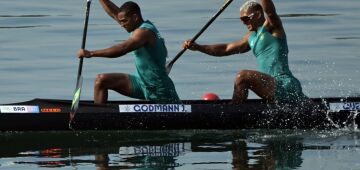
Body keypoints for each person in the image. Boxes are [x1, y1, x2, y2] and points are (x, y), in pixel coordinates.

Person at [183, 0, 308, 104]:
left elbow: (270, 11)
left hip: (285, 85)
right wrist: (199, 47)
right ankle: (237, 109)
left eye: (245, 19)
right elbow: (226, 49)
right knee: (242, 79)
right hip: (270, 85)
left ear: (258, 14)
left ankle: (233, 114)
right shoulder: (251, 37)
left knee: (242, 76)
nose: (243, 23)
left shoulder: (272, 26)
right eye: (241, 20)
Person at [77, 0, 180, 104]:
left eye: (124, 21)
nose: (121, 24)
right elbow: (115, 14)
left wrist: (91, 53)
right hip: (140, 83)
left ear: (135, 17)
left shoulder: (144, 32)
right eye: (121, 21)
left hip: (158, 89)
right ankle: (98, 117)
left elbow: (123, 48)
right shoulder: (135, 25)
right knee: (101, 80)